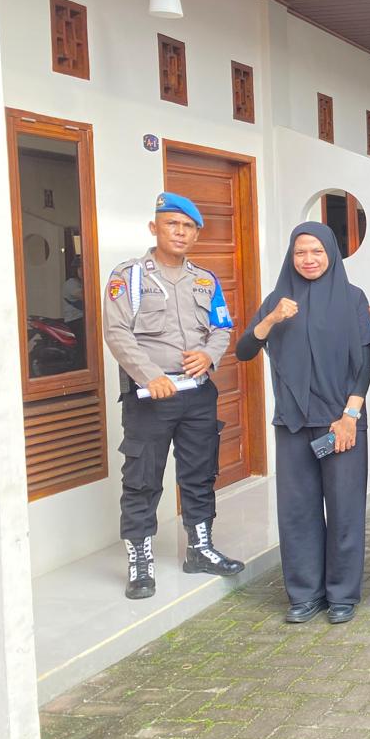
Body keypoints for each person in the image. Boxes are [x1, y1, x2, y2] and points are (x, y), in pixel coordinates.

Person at [103, 192, 244, 600]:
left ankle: (200, 549)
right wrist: (150, 375)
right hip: (151, 397)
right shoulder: (129, 277)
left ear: (196, 234)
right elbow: (116, 332)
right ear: (155, 228)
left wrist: (209, 355)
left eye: (188, 227)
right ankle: (140, 562)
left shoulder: (205, 280)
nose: (180, 232)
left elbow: (221, 327)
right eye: (172, 224)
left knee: (200, 474)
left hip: (197, 394)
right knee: (142, 479)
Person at [235, 222, 370, 625]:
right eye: (300, 252)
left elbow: (364, 363)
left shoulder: (352, 298)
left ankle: (342, 594)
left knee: (345, 510)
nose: (308, 259)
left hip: (340, 424)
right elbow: (244, 350)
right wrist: (271, 319)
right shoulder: (278, 300)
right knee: (297, 511)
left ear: (331, 253)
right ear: (290, 257)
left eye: (316, 251)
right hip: (293, 423)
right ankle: (304, 594)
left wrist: (350, 416)